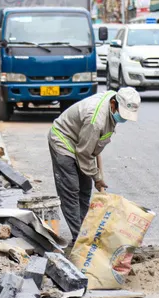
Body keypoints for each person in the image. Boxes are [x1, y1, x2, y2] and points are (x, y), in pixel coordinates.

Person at [48, 88, 141, 243]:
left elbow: (92, 148)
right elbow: (84, 153)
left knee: (85, 189)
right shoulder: (95, 120)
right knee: (71, 189)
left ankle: (86, 230)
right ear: (113, 103)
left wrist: (94, 177)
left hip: (82, 141)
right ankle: (80, 239)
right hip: (63, 140)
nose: (123, 119)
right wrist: (97, 177)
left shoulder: (111, 107)